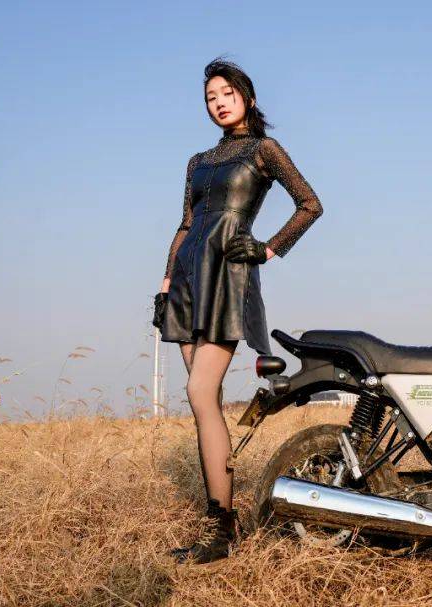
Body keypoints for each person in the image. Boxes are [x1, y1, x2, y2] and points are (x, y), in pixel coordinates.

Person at [152, 58, 323, 563]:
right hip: (188, 278)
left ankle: (222, 531)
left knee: (199, 391)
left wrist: (268, 249)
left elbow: (310, 204)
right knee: (204, 401)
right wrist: (166, 281)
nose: (219, 103)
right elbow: (186, 224)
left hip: (227, 275)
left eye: (227, 93)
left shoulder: (264, 149)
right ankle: (220, 523)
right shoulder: (198, 161)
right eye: (211, 97)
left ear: (246, 96)